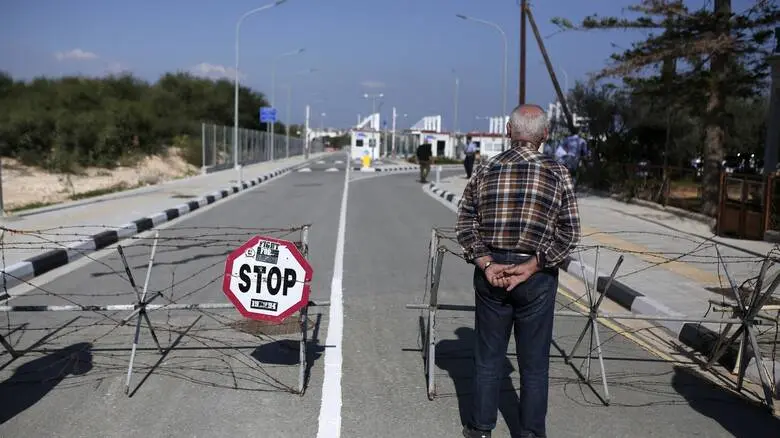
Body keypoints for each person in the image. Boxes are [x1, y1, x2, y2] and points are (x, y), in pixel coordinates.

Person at [455, 104, 581, 438]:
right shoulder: (559, 173)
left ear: (508, 131)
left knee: (488, 357)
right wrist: (533, 265)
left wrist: (486, 262)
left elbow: (465, 222)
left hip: (492, 272)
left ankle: (480, 428)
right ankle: (531, 432)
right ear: (546, 134)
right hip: (536, 275)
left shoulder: (487, 168)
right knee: (534, 363)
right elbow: (570, 233)